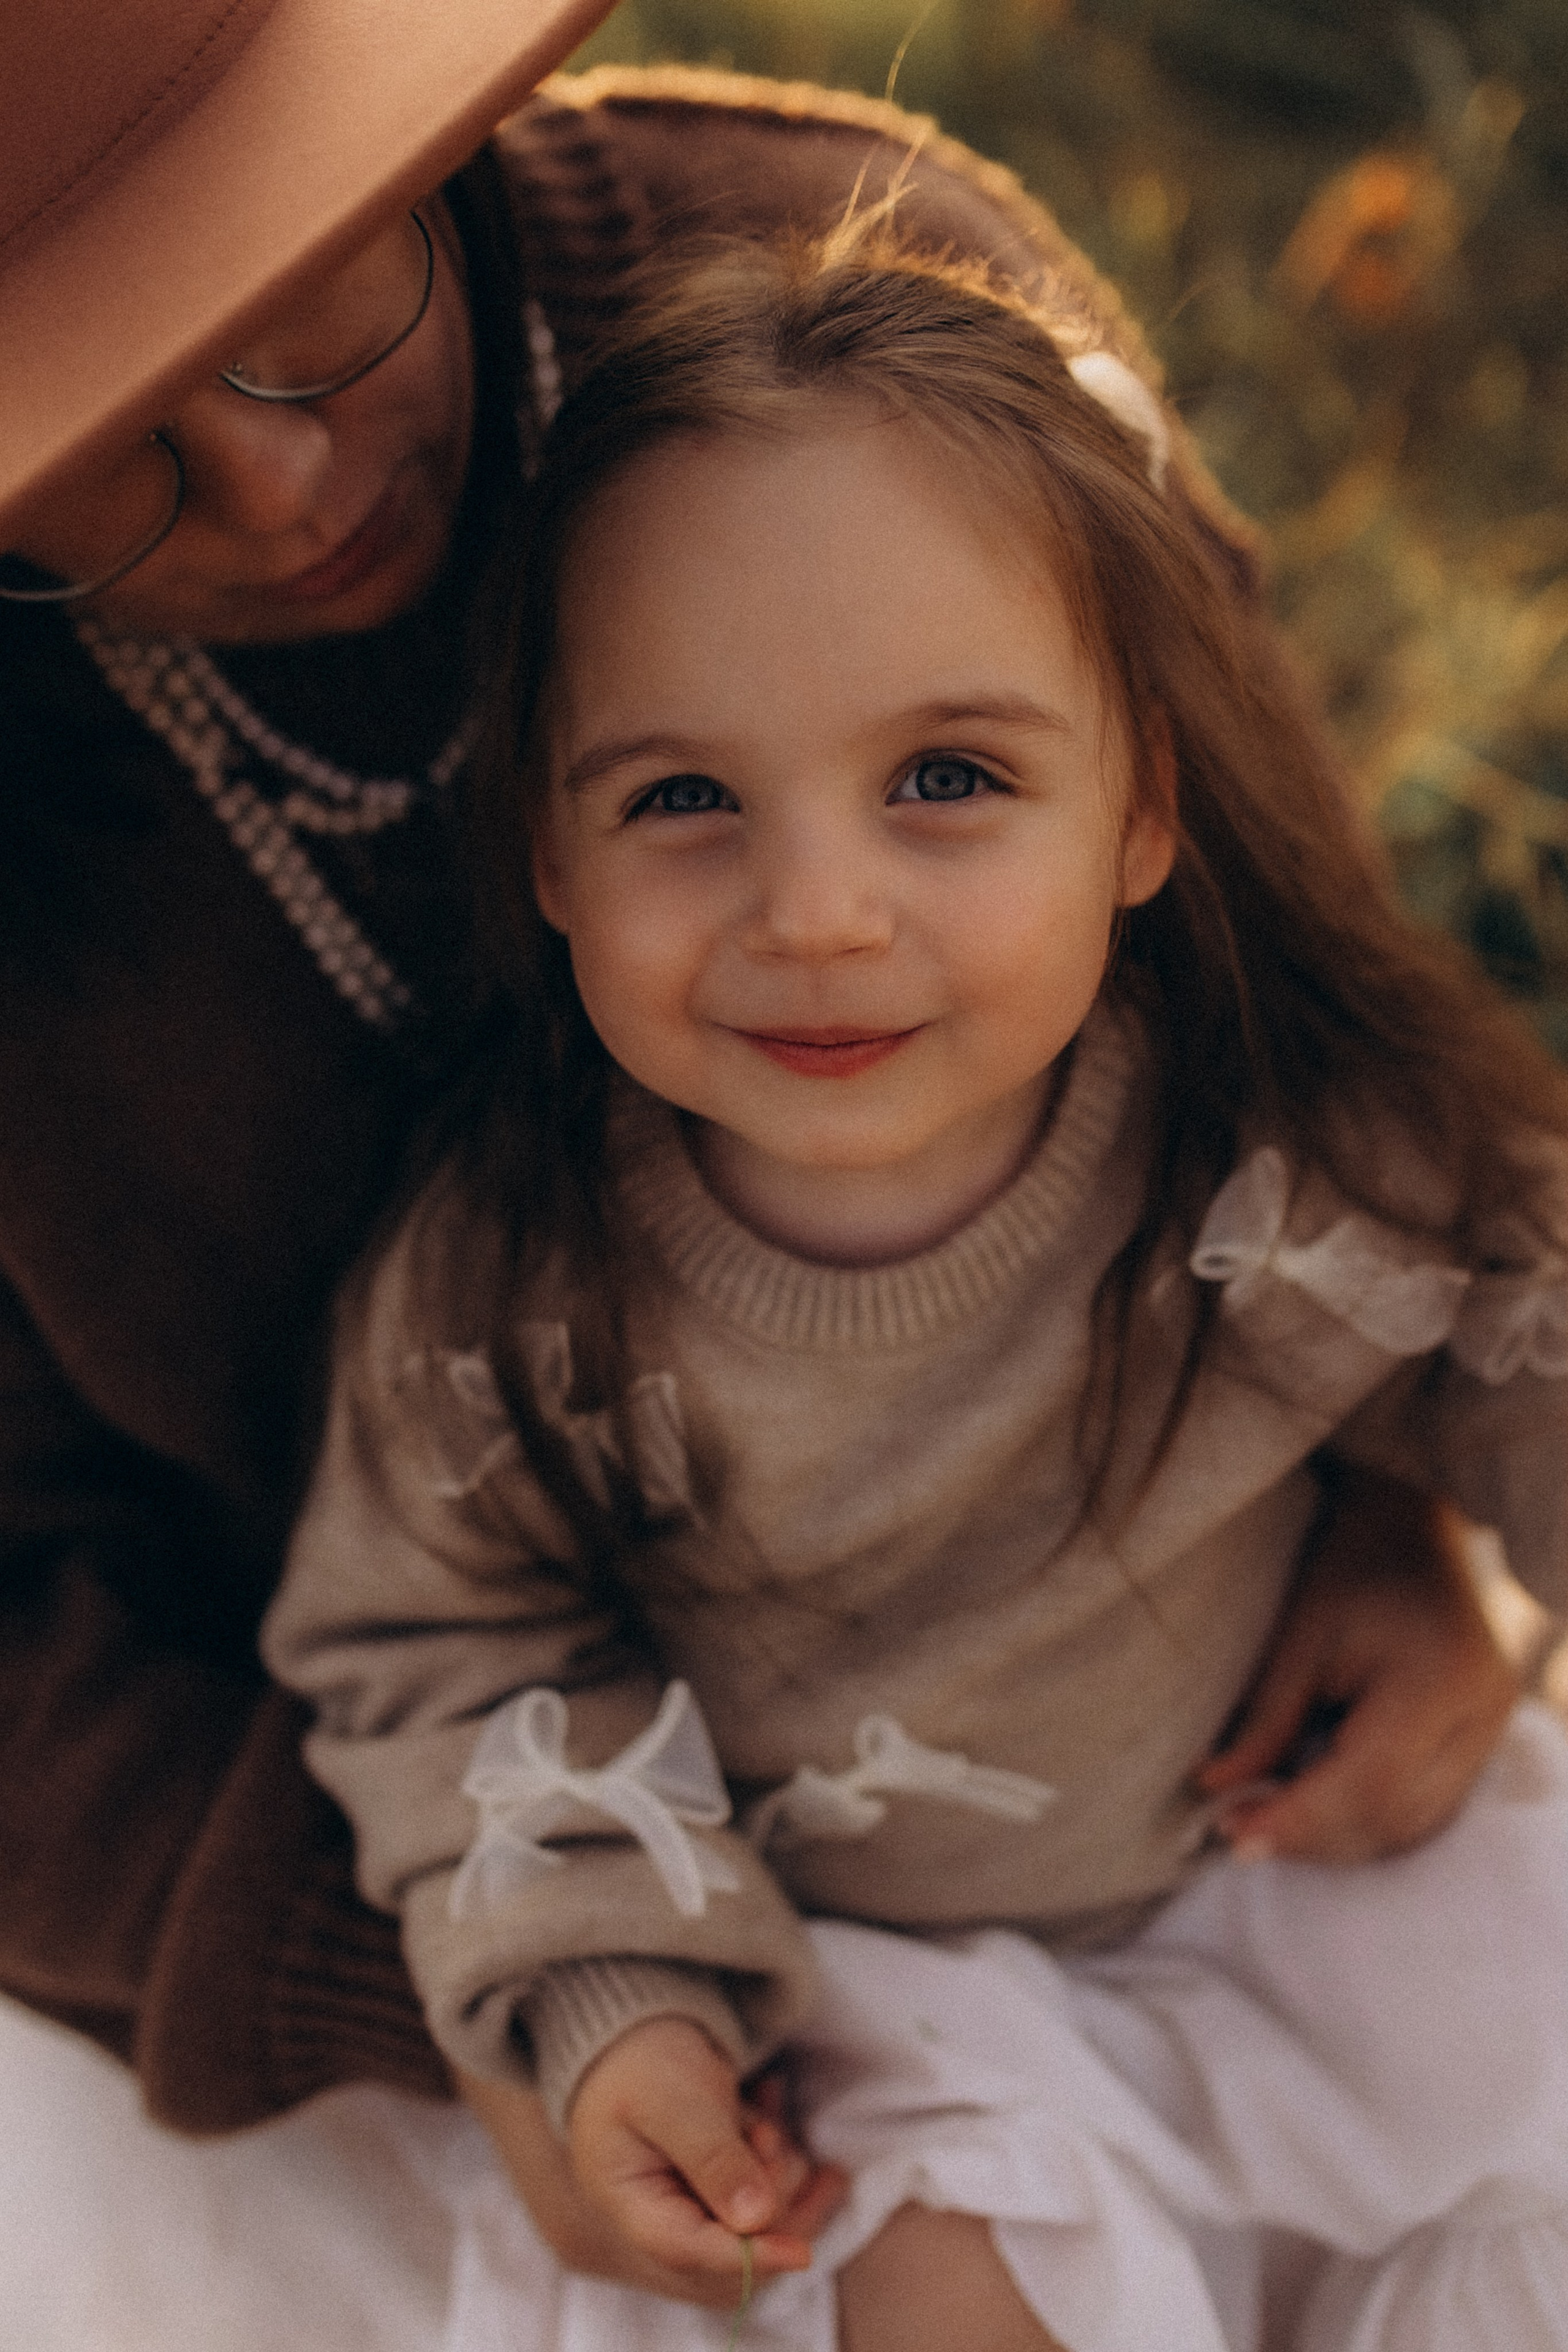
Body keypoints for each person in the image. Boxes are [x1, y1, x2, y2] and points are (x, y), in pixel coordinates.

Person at [12, 0, 1429, 2150]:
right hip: (410, 1885)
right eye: (106, 439)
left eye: (295, 319)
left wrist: (1402, 1505)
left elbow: (1306, 998)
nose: (285, 481)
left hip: (1211, 1709)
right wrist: (504, 1996)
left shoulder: (863, 308)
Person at [263, 228, 1568, 2352]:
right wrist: (607, 2001)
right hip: (878, 1984)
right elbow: (437, 1663)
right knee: (943, 2287)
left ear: (1140, 803)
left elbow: (1533, 1330)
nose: (822, 911)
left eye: (947, 779)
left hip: (1309, 1866)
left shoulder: (1277, 1137)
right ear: (548, 860)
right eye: (682, 798)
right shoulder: (509, 1306)